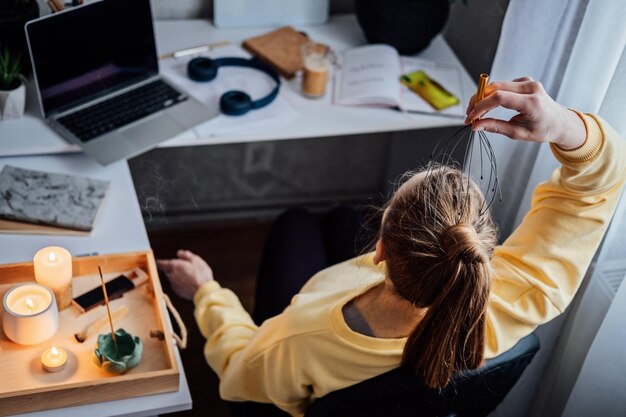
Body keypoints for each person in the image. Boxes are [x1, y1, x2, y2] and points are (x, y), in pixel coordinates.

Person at [157, 77, 626, 417]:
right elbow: (597, 185)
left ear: (379, 249)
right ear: (482, 245)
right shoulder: (523, 296)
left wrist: (206, 292)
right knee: (340, 219)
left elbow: (238, 372)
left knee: (296, 222)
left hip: (308, 339)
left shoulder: (300, 341)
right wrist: (563, 126)